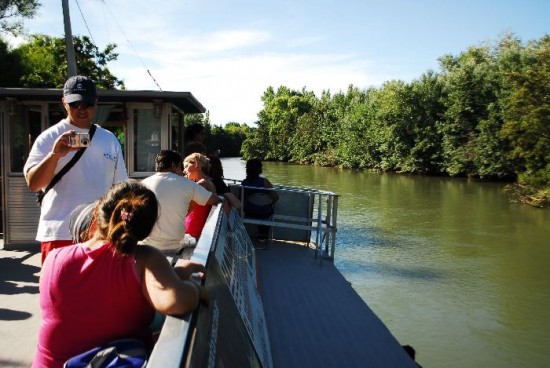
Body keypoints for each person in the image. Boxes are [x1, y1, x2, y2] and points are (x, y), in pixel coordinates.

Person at [33, 180, 208, 368]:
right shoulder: (145, 259)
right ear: (147, 230)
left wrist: (174, 274)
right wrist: (195, 288)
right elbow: (175, 300)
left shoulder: (54, 258)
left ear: (96, 211)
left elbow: (100, 295)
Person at [24, 75, 128, 264]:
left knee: (99, 293)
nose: (81, 109)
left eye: (87, 103)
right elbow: (33, 184)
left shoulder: (109, 140)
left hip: (99, 233)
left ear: (95, 103)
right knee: (58, 293)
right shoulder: (49, 138)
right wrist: (55, 155)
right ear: (64, 102)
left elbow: (120, 188)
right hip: (59, 232)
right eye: (75, 103)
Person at [139, 150, 220, 256]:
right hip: (174, 246)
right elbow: (213, 199)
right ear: (173, 165)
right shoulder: (187, 184)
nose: (182, 171)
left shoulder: (142, 184)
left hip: (146, 245)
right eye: (180, 166)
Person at [183, 153, 217, 249]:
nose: (184, 171)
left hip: (192, 232)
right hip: (196, 231)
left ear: (196, 164)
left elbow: (185, 208)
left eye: (186, 167)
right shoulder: (208, 182)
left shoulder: (201, 184)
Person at [241, 158, 279, 242]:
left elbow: (241, 199)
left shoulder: (244, 183)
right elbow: (276, 197)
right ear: (259, 169)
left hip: (249, 213)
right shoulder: (265, 182)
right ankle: (262, 237)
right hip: (264, 214)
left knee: (257, 208)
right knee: (265, 210)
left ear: (247, 169)